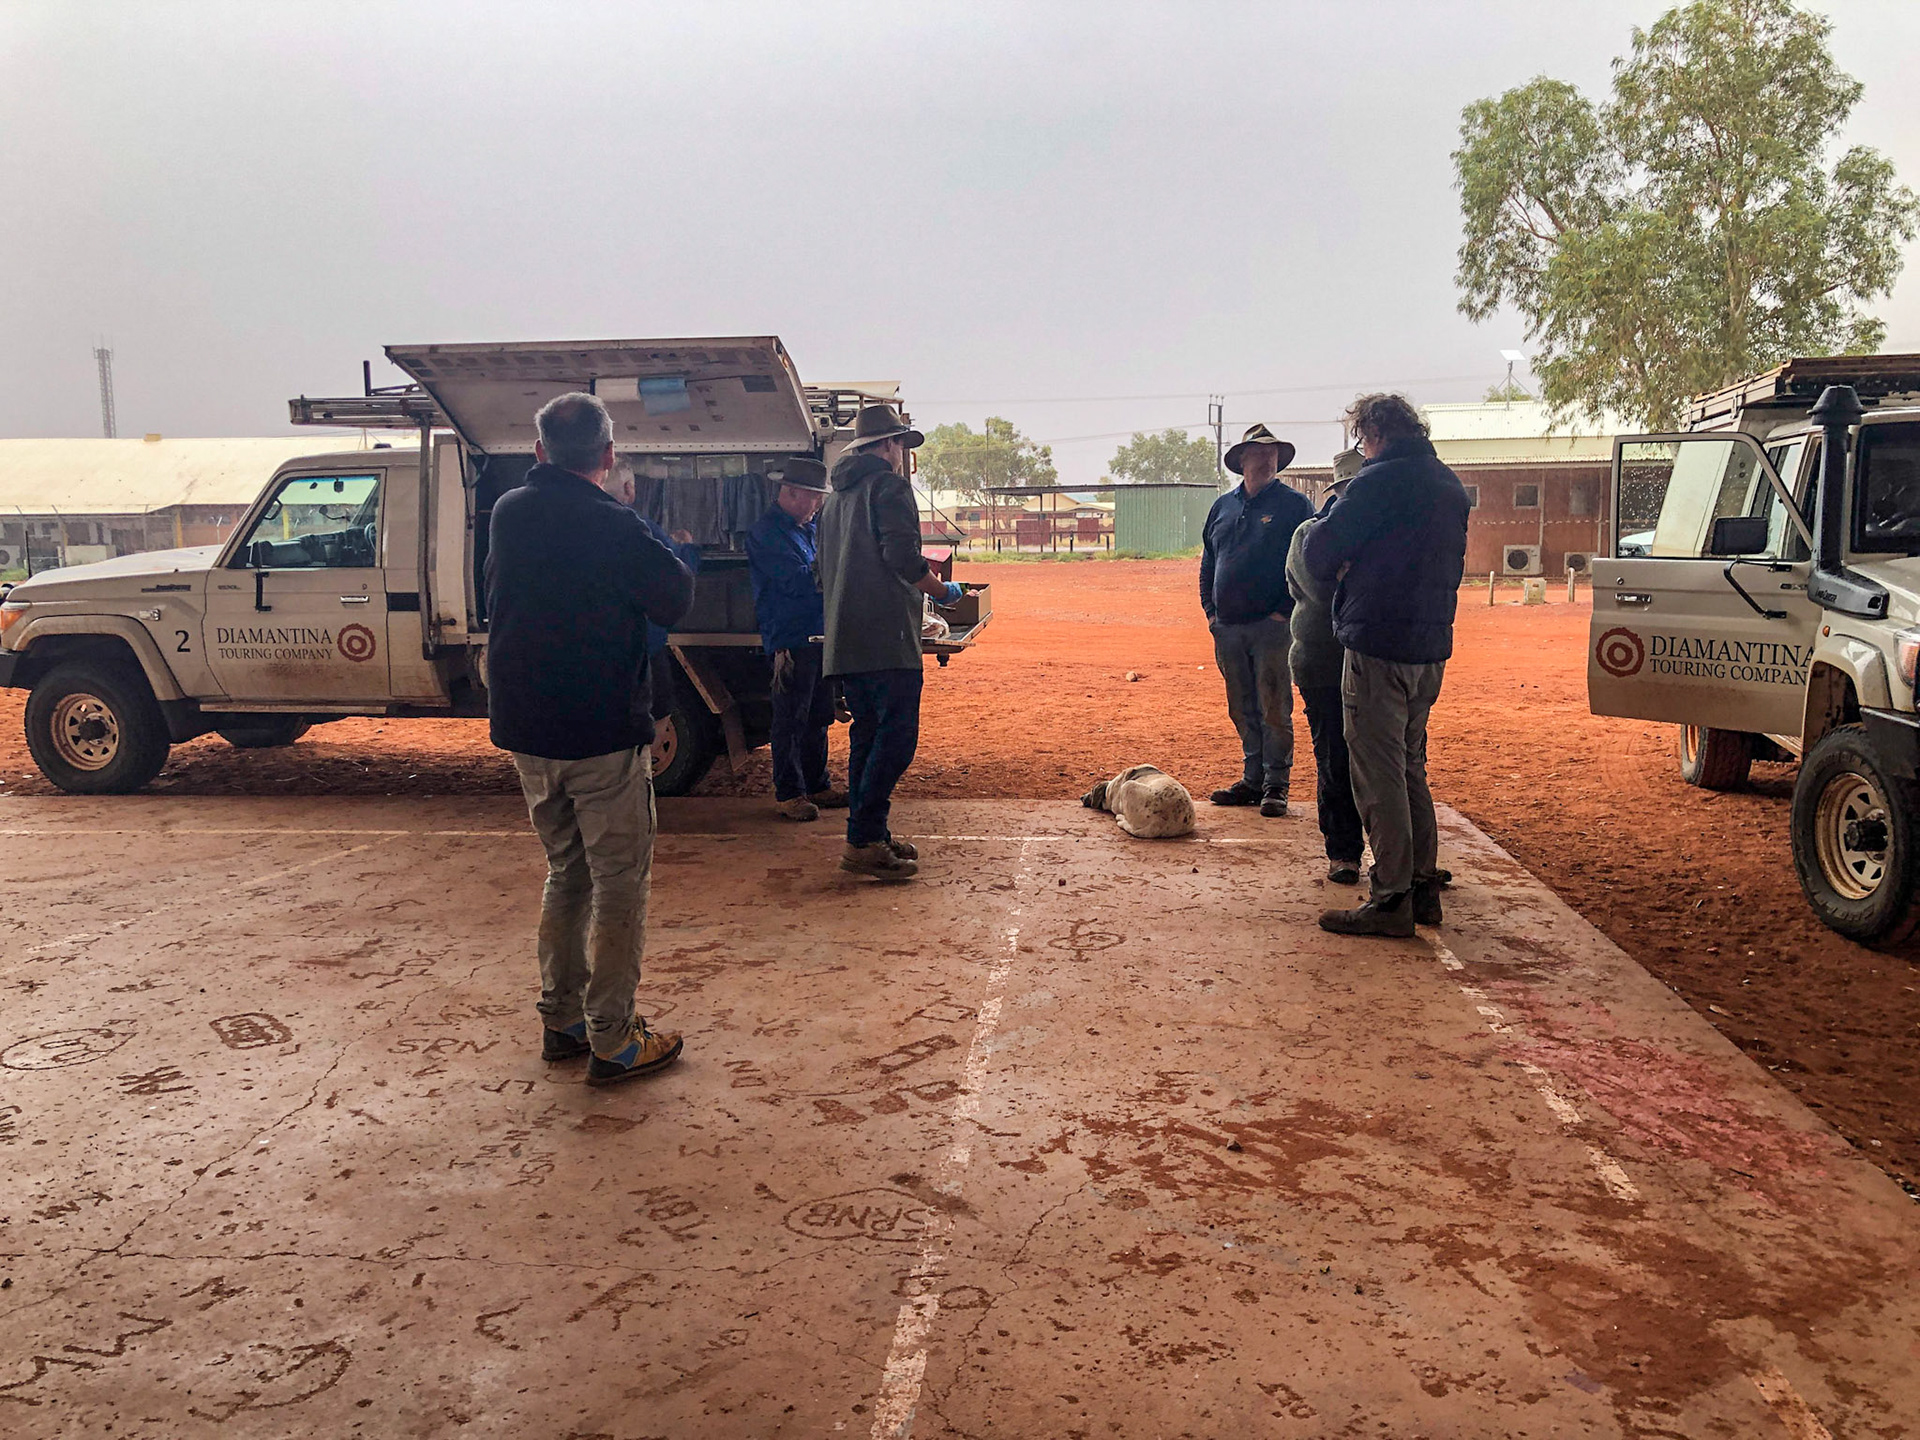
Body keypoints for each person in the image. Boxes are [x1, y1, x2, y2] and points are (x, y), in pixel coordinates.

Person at [485, 392, 695, 1084]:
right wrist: (655, 535)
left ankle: (562, 1019)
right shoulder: (614, 523)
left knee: (565, 872)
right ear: (607, 457)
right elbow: (674, 596)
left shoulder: (509, 512)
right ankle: (614, 1036)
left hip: (528, 733)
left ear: (539, 452)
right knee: (619, 883)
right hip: (600, 731)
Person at [1304, 393, 1470, 938]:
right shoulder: (1445, 483)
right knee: (1408, 766)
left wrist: (1349, 545)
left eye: (1362, 439)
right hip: (1429, 648)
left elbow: (1318, 553)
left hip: (1379, 643)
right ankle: (1422, 888)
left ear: (1373, 434)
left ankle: (1391, 897)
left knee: (1378, 773)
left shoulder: (1376, 483)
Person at [817, 404, 963, 880]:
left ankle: (868, 834)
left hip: (848, 636)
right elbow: (902, 556)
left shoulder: (836, 497)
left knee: (867, 736)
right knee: (896, 740)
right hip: (887, 636)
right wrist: (943, 593)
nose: (903, 454)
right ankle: (863, 839)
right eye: (901, 443)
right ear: (888, 445)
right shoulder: (889, 486)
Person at [1199, 423, 1315, 818]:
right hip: (1228, 628)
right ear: (1242, 461)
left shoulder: (1295, 506)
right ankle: (1252, 779)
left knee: (1273, 707)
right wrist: (1211, 613)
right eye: (1259, 453)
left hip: (1272, 628)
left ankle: (1275, 784)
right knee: (1241, 706)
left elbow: (1307, 561)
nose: (1268, 459)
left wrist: (1284, 612)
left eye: (1273, 454)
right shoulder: (1223, 506)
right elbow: (1209, 561)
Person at [746, 456, 846, 822]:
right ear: (790, 493)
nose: (817, 504)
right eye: (813, 497)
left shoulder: (804, 528)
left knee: (818, 714)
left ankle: (817, 784)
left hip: (815, 635)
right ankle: (790, 792)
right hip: (790, 637)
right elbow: (797, 582)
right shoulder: (767, 533)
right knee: (791, 717)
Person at [1286, 446, 1367, 884]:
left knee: (1387, 757)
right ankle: (1344, 852)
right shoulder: (1307, 533)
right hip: (1320, 662)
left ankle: (1403, 853)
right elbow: (1320, 593)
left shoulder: (1374, 533)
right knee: (1335, 756)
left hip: (1368, 659)